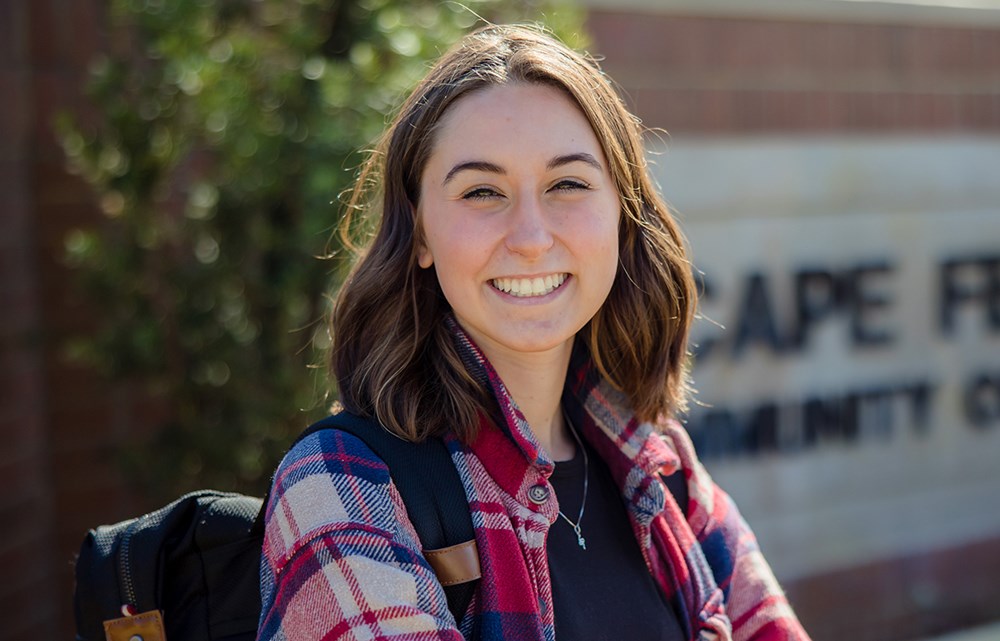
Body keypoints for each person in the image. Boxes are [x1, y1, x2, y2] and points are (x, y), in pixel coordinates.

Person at [257, 23, 810, 641]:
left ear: (622, 217)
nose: (530, 237)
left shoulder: (661, 466)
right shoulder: (342, 486)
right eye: (482, 191)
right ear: (418, 235)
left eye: (567, 184)